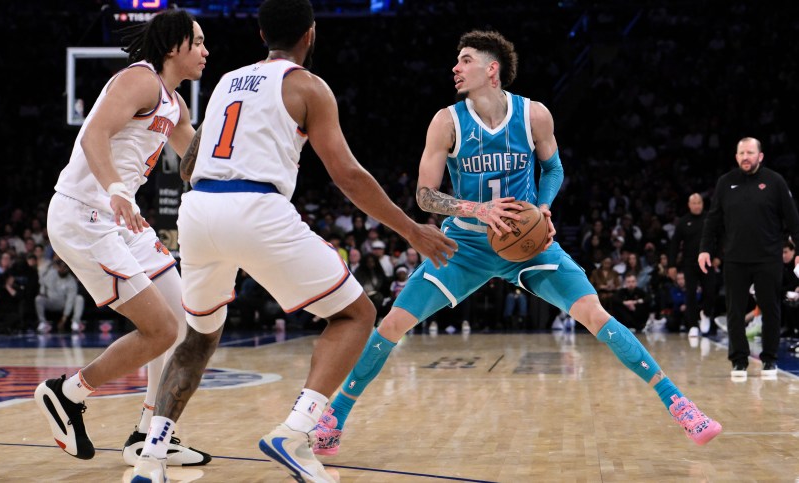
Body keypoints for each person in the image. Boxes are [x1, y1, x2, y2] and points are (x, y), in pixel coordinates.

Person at [313, 30, 721, 457]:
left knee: (593, 313)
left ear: (492, 69)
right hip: (464, 245)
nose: (456, 67)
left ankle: (679, 404)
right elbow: (425, 195)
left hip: (527, 244)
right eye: (457, 60)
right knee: (393, 323)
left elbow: (555, 168)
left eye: (465, 59)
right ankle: (335, 417)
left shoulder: (534, 115)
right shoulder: (446, 121)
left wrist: (543, 208)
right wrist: (477, 211)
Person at [130, 1, 457, 481]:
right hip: (256, 207)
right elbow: (346, 175)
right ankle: (295, 431)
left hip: (198, 209)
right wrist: (412, 230)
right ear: (310, 34)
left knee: (199, 335)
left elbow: (187, 165)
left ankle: (152, 454)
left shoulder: (224, 82)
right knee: (356, 314)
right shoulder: (308, 86)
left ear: (262, 33)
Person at [33, 8, 211, 468]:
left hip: (120, 217)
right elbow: (93, 135)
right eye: (198, 41)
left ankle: (148, 434)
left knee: (182, 320)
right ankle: (67, 393)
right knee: (160, 330)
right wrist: (115, 189)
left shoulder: (175, 103)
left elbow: (198, 166)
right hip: (84, 212)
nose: (206, 51)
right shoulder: (141, 80)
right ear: (174, 47)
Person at [699, 137, 799, 379]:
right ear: (736, 157)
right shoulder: (726, 182)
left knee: (771, 309)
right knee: (734, 310)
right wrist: (705, 249)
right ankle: (739, 361)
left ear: (760, 156)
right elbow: (713, 220)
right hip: (734, 259)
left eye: (750, 152)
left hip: (768, 258)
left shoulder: (775, 181)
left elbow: (793, 218)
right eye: (741, 153)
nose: (746, 157)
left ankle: (769, 360)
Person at [669, 193, 714, 337]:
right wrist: (672, 265)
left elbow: (721, 237)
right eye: (694, 203)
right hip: (689, 263)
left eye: (699, 202)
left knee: (710, 292)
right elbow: (674, 244)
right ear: (689, 205)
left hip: (708, 262)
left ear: (703, 203)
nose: (697, 206)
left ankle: (706, 314)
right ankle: (693, 325)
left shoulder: (710, 218)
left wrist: (719, 256)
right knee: (691, 294)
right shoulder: (683, 222)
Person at [34, 259, 85, 333]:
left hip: (63, 304)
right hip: (51, 301)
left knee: (79, 298)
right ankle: (43, 323)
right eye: (60, 267)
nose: (62, 269)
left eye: (65, 267)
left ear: (68, 269)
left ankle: (75, 323)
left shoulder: (71, 281)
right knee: (38, 299)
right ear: (57, 267)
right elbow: (42, 281)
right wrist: (42, 291)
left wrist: (64, 319)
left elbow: (70, 301)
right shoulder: (51, 274)